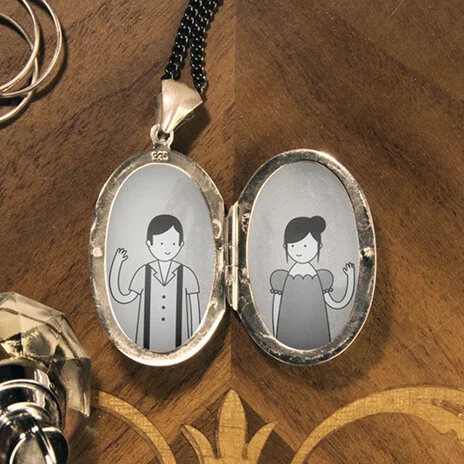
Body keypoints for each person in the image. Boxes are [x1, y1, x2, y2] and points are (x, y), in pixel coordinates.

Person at [109, 214, 200, 352]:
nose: (167, 248)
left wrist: (195, 341)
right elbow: (122, 297)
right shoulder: (143, 272)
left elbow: (195, 313)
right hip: (145, 343)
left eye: (173, 243)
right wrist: (116, 264)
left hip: (181, 342)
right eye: (161, 243)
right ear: (149, 244)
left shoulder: (187, 274)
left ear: (181, 244)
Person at [270, 216, 355, 350]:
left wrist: (351, 279)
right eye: (293, 246)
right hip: (286, 334)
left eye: (305, 245)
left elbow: (336, 303)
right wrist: (273, 335)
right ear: (285, 246)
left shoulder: (322, 278)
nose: (299, 251)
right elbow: (276, 308)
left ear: (319, 246)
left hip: (317, 335)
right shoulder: (281, 278)